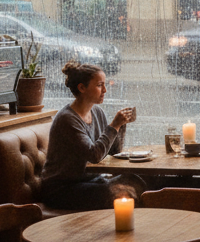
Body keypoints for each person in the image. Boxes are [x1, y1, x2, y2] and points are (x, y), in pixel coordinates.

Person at [40, 61, 139, 210]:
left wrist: (121, 125)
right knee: (120, 191)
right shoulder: (67, 119)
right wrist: (114, 125)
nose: (105, 90)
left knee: (135, 179)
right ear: (82, 88)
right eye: (99, 85)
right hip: (61, 189)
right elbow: (94, 155)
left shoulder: (97, 112)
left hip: (90, 181)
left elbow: (113, 152)